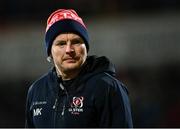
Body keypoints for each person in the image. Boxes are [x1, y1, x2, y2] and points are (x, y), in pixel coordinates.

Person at [25, 9, 133, 128]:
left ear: (86, 48)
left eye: (76, 42)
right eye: (61, 44)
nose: (69, 50)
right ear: (50, 51)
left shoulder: (108, 88)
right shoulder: (36, 90)